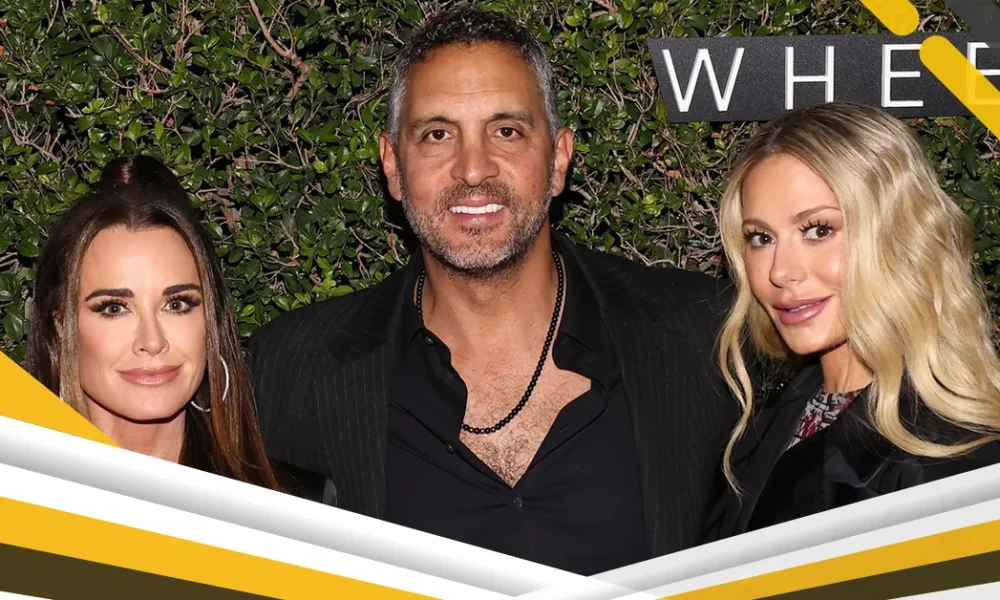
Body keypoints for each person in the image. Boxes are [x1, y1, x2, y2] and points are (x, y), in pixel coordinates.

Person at [246, 6, 738, 575]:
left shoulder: (706, 337)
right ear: (393, 166)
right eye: (437, 135)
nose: (474, 169)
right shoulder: (292, 371)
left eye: (506, 131)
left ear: (558, 158)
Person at [703, 101, 1000, 541]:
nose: (780, 271)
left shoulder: (954, 463)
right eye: (761, 238)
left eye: (818, 230)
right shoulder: (771, 419)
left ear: (898, 234)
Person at [28, 155, 336, 506]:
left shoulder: (297, 506)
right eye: (114, 308)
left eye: (176, 304)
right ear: (60, 326)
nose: (152, 341)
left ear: (210, 321)